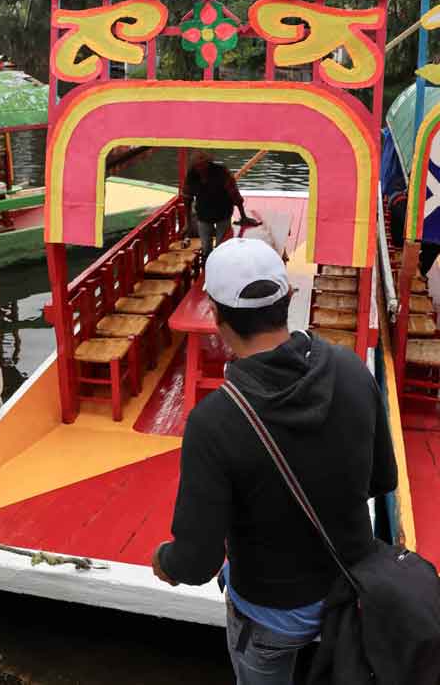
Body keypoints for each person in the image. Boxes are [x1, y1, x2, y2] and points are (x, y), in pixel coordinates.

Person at [152, 238, 397, 685]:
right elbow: (382, 478)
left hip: (273, 609)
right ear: (287, 299)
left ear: (216, 315)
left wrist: (164, 561)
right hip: (349, 588)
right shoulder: (351, 370)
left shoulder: (215, 421)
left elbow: (195, 561)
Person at [183, 153, 258, 257]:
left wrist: (243, 216)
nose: (200, 168)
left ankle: (220, 262)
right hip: (203, 213)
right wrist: (188, 224)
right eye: (197, 165)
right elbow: (187, 199)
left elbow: (235, 195)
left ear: (208, 163)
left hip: (223, 211)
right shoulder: (191, 176)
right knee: (205, 247)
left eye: (203, 164)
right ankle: (207, 263)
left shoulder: (222, 172)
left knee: (222, 247)